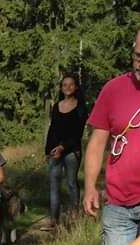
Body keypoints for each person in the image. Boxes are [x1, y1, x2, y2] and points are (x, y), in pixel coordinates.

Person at [83, 24, 140, 245]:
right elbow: (97, 141)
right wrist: (90, 186)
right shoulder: (113, 89)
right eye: (138, 56)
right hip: (119, 199)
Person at [42, 73, 87, 231]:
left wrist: (63, 148)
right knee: (54, 184)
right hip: (55, 152)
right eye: (64, 85)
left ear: (75, 87)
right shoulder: (56, 106)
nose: (67, 87)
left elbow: (77, 134)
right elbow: (52, 129)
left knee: (71, 183)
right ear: (61, 88)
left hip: (71, 152)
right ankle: (53, 219)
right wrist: (49, 150)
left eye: (70, 84)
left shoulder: (81, 108)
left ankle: (74, 215)